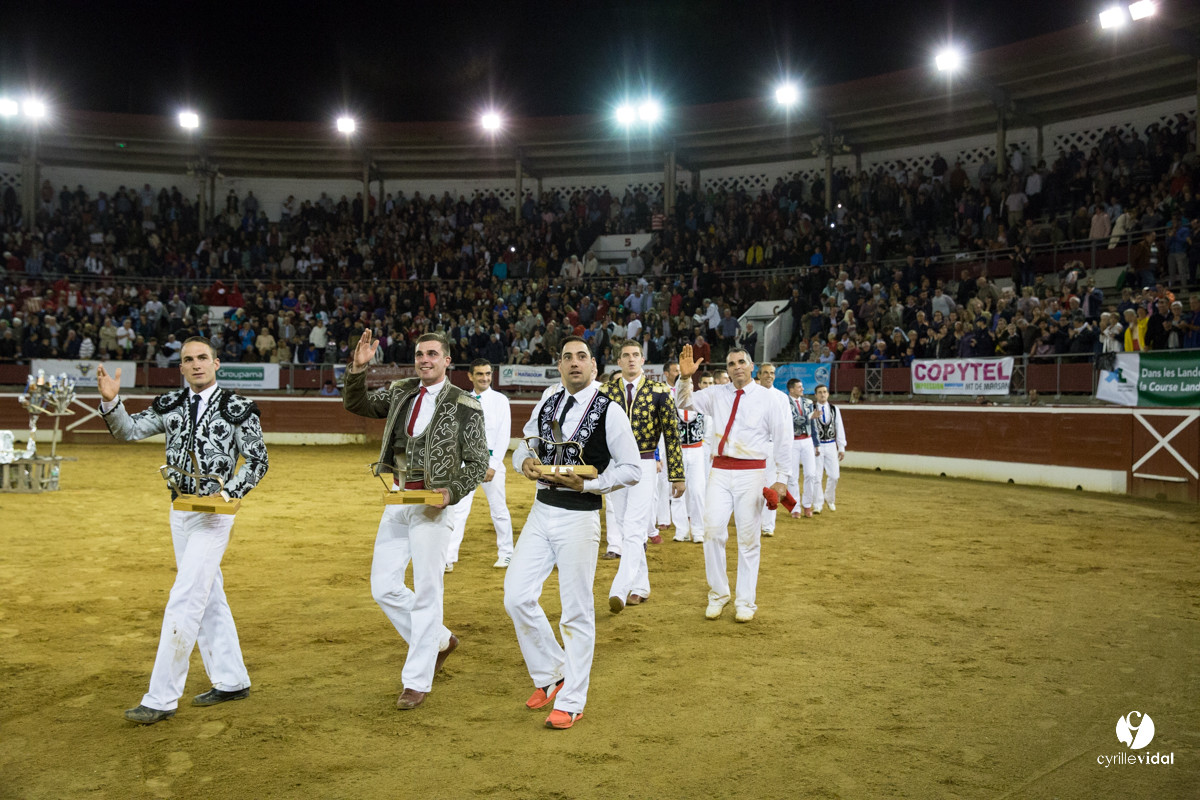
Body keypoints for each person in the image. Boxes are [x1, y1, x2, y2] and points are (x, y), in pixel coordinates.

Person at [96, 337, 269, 724]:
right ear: (181, 367)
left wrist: (229, 493)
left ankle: (161, 697)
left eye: (202, 358)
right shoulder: (170, 404)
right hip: (180, 510)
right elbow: (128, 431)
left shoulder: (238, 408)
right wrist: (111, 403)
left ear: (217, 363)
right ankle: (231, 678)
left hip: (214, 515)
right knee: (207, 596)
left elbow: (257, 460)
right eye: (188, 360)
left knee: (186, 595)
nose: (196, 365)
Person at [342, 330, 488, 711]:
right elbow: (357, 404)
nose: (424, 359)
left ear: (447, 361)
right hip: (398, 497)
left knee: (426, 592)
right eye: (420, 354)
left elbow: (476, 464)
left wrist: (450, 493)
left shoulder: (465, 404)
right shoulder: (401, 391)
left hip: (434, 505)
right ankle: (439, 639)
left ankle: (416, 680)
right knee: (383, 587)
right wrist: (358, 369)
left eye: (433, 354)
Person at [504, 336, 641, 730]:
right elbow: (523, 446)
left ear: (594, 366)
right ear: (560, 366)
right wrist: (524, 462)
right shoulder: (549, 400)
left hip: (580, 516)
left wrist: (592, 486)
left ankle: (573, 699)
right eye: (567, 358)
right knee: (516, 596)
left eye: (582, 357)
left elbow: (631, 468)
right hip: (541, 510)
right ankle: (553, 672)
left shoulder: (609, 410)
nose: (574, 363)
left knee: (576, 612)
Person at [674, 344, 791, 623]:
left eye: (741, 362)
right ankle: (718, 594)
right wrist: (685, 378)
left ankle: (746, 601)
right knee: (712, 531)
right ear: (726, 370)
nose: (736, 366)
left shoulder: (770, 399)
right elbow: (683, 403)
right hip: (720, 470)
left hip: (752, 472)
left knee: (749, 539)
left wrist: (782, 479)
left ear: (751, 367)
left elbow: (783, 438)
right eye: (731, 364)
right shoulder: (716, 394)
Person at [599, 341, 684, 611]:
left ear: (643, 359)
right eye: (626, 356)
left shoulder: (659, 391)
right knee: (626, 527)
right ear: (619, 362)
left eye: (636, 355)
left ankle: (620, 588)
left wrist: (677, 475)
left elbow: (671, 434)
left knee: (635, 527)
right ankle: (641, 585)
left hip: (646, 464)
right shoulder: (606, 391)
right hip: (615, 465)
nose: (631, 359)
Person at [446, 360, 515, 570]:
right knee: (458, 510)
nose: (484, 378)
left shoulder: (500, 400)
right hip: (466, 464)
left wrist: (492, 465)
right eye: (479, 374)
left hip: (490, 463)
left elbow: (504, 435)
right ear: (470, 376)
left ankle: (507, 553)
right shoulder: (461, 400)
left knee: (498, 509)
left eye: (487, 374)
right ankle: (448, 557)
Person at [755, 363, 790, 537]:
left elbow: (787, 429)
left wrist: (784, 451)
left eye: (772, 373)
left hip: (772, 446)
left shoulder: (782, 398)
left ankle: (768, 525)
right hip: (753, 446)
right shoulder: (751, 394)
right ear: (759, 375)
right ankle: (752, 523)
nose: (769, 376)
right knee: (752, 487)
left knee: (771, 486)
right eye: (766, 373)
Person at [785, 378, 821, 518]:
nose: (803, 389)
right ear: (791, 389)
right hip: (792, 442)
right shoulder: (785, 402)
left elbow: (813, 425)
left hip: (807, 440)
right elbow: (792, 419)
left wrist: (816, 443)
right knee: (793, 476)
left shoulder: (808, 402)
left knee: (811, 474)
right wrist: (810, 416)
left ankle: (807, 505)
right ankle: (795, 507)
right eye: (799, 387)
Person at [811, 384, 847, 513]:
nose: (822, 394)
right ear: (816, 395)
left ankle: (829, 498)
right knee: (816, 476)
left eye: (825, 392)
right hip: (817, 445)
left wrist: (841, 447)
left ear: (828, 394)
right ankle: (818, 504)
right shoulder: (811, 408)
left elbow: (839, 427)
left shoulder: (834, 409)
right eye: (820, 392)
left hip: (831, 444)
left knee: (834, 476)